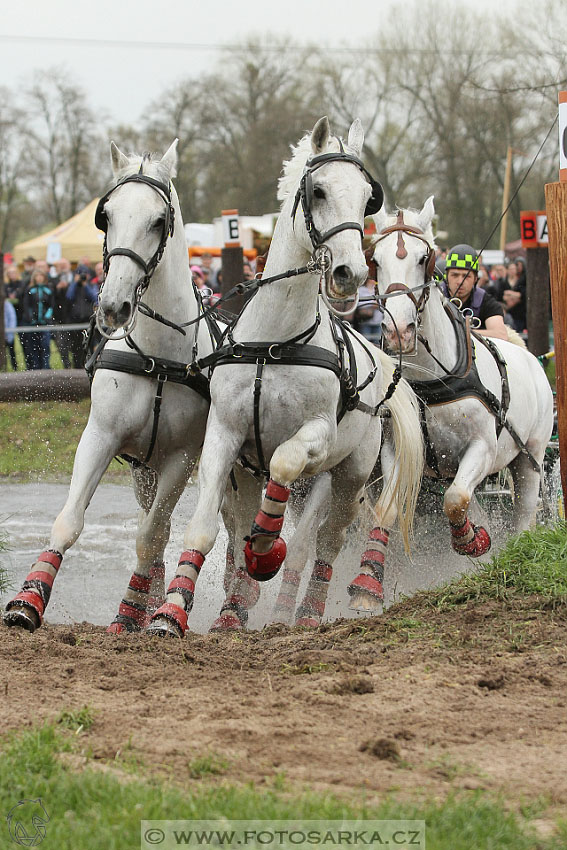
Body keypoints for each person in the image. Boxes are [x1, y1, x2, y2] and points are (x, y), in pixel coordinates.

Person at [442, 244, 508, 340]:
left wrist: (463, 331)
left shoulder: (485, 301)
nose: (460, 281)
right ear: (447, 276)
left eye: (466, 276)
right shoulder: (433, 297)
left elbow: (501, 335)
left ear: (475, 279)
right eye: (455, 275)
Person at [65, 269, 98, 368]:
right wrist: (75, 283)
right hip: (75, 321)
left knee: (89, 344)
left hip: (88, 320)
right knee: (76, 346)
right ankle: (77, 366)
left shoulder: (90, 286)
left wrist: (85, 285)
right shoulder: (73, 286)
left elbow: (94, 298)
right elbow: (69, 296)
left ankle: (90, 365)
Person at [22, 269, 54, 369]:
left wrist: (46, 317)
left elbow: (51, 305)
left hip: (44, 323)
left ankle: (46, 367)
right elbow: (26, 305)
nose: (39, 278)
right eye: (37, 276)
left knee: (45, 346)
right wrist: (31, 317)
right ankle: (35, 367)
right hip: (33, 323)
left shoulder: (48, 289)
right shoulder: (30, 289)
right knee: (33, 347)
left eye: (41, 276)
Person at [4, 296, 18, 370]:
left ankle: (14, 367)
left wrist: (9, 334)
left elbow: (12, 319)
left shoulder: (7, 305)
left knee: (11, 352)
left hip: (8, 334)